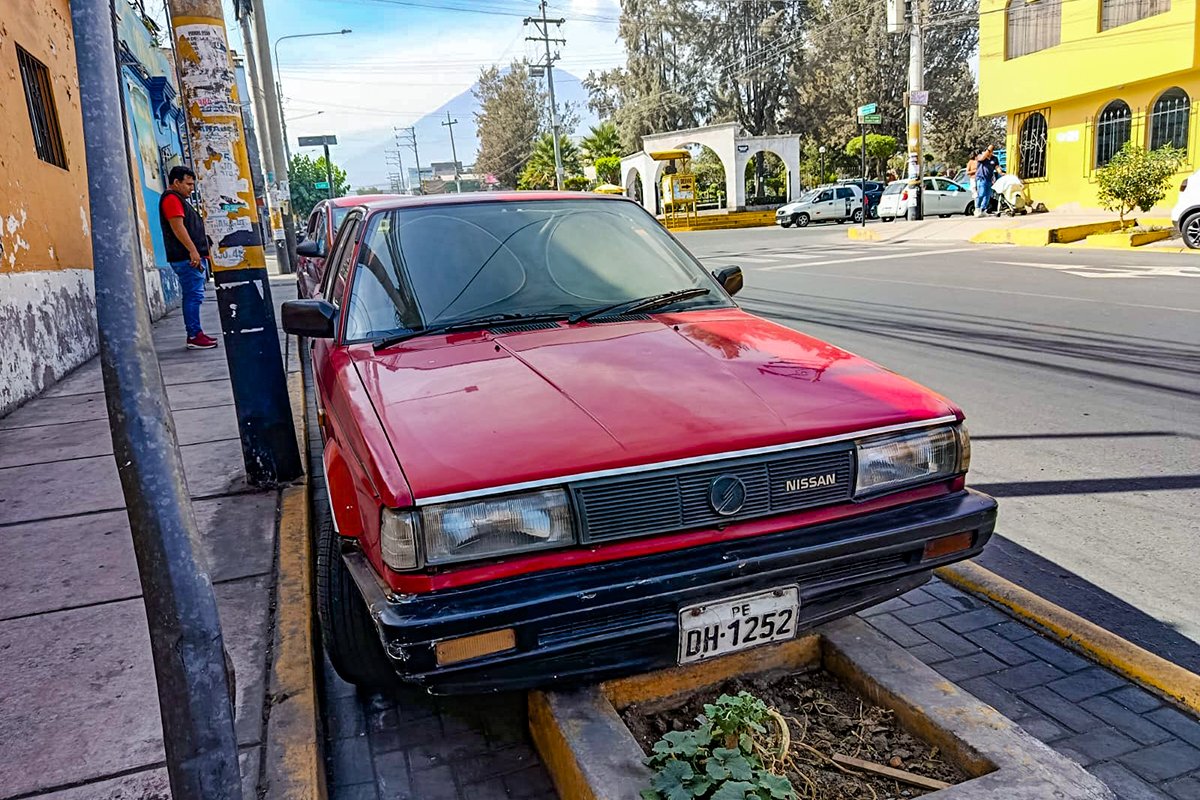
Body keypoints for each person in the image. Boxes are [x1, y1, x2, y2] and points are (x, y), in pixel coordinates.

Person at [159, 166, 217, 349]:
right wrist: (193, 251)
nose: (192, 188)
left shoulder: (179, 200)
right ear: (176, 182)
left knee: (194, 295)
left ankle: (196, 333)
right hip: (186, 257)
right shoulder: (171, 199)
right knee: (193, 295)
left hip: (190, 256)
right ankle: (194, 335)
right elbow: (178, 227)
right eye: (188, 184)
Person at [974, 145, 1002, 217]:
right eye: (989, 151)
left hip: (989, 179)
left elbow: (996, 166)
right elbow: (982, 158)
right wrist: (988, 150)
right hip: (981, 178)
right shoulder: (981, 156)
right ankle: (977, 209)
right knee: (981, 193)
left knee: (987, 195)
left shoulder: (994, 158)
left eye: (991, 151)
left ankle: (983, 210)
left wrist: (1000, 172)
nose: (990, 152)